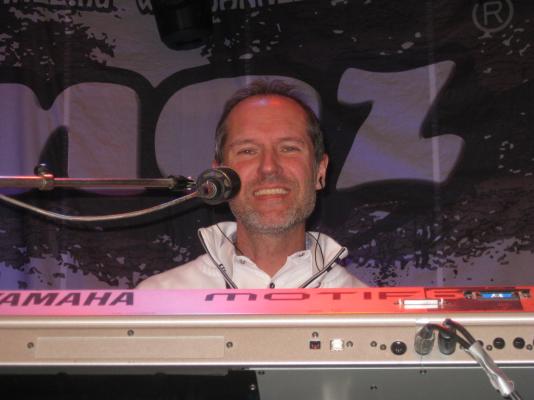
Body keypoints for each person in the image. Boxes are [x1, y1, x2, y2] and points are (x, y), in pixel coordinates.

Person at [137, 79, 365, 289]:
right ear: (220, 176)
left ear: (320, 171)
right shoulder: (157, 298)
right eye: (248, 151)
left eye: (288, 148)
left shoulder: (364, 309)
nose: (269, 167)